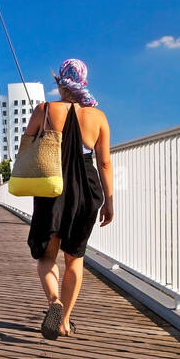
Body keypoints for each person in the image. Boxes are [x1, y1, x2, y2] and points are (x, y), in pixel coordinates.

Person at [23, 58, 113, 340]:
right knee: (75, 259)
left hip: (53, 187)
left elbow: (26, 147)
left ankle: (54, 303)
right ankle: (65, 321)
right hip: (86, 190)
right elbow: (105, 163)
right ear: (84, 82)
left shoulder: (44, 110)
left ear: (59, 82)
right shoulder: (98, 118)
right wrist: (109, 201)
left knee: (47, 256)